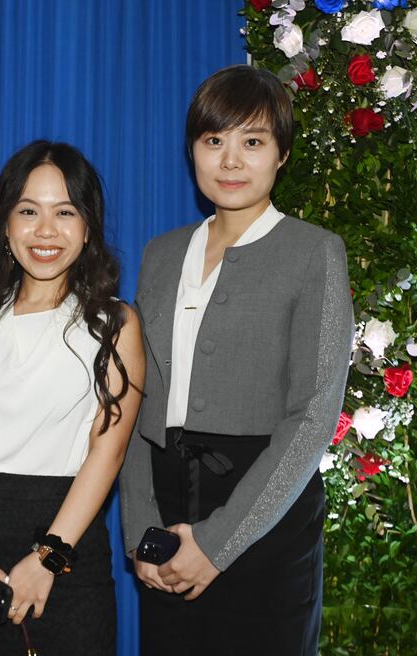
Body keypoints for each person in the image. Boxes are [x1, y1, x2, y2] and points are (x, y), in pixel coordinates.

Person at [119, 65, 354, 656]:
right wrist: (142, 533)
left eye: (252, 142)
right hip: (166, 504)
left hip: (267, 518)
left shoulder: (314, 253)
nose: (230, 161)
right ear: (193, 150)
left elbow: (312, 418)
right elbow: (136, 400)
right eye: (213, 140)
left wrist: (216, 544)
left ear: (281, 155)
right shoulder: (161, 253)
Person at [0, 140, 144, 655]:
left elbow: (105, 454)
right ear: (5, 225)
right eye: (28, 211)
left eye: (65, 212)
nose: (46, 231)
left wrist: (48, 559)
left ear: (87, 228)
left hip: (65, 549)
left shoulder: (115, 325)